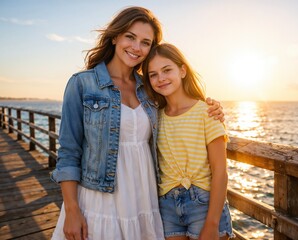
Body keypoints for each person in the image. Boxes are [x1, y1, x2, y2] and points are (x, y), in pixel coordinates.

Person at [50, 6, 224, 240]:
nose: (136, 47)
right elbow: (69, 152)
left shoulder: (150, 87)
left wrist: (213, 108)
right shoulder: (82, 84)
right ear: (115, 37)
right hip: (100, 199)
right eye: (130, 37)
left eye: (145, 42)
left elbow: (181, 111)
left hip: (146, 198)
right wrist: (71, 209)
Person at [142, 43, 235, 240]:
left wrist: (212, 223)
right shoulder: (154, 117)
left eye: (167, 70)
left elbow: (220, 171)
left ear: (182, 70)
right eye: (153, 74)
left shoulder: (206, 112)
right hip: (167, 206)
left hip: (203, 204)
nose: (161, 78)